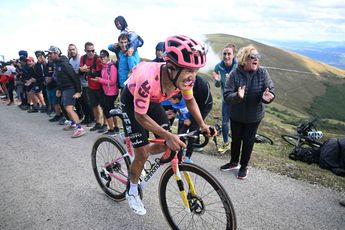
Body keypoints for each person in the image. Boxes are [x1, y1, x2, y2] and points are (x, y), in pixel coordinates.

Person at [121, 35, 214, 215]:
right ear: (171, 68)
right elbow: (140, 116)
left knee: (165, 144)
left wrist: (202, 124)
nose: (192, 77)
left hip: (153, 101)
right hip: (132, 100)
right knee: (143, 151)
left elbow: (190, 100)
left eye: (195, 71)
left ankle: (140, 159)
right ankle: (132, 191)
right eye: (189, 70)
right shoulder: (148, 79)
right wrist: (168, 135)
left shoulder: (182, 78)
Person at [221, 44, 275, 179]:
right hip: (236, 115)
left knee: (248, 141)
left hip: (254, 116)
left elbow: (271, 89)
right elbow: (227, 95)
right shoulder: (234, 74)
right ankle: (234, 162)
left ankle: (244, 166)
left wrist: (268, 98)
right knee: (236, 140)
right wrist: (237, 96)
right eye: (253, 57)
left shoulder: (262, 73)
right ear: (245, 59)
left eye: (258, 56)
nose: (256, 59)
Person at [47, 45, 86, 138]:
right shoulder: (56, 63)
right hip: (64, 88)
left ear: (56, 53)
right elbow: (60, 78)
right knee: (65, 106)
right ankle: (73, 123)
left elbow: (74, 77)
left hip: (70, 88)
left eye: (50, 53)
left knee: (68, 108)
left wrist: (78, 91)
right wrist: (59, 89)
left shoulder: (64, 63)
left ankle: (80, 128)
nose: (48, 55)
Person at [212, 43, 237, 154]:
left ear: (234, 55)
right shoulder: (218, 67)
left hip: (238, 100)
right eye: (224, 54)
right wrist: (217, 80)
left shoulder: (239, 67)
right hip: (226, 99)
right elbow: (218, 85)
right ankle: (226, 143)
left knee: (237, 123)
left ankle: (236, 145)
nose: (226, 56)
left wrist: (231, 80)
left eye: (229, 54)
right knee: (225, 123)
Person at [89, 49, 119, 134]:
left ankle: (111, 130)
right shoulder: (104, 66)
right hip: (107, 92)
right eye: (101, 57)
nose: (102, 59)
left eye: (104, 57)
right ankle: (116, 128)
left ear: (107, 57)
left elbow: (112, 81)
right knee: (112, 110)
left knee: (107, 111)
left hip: (111, 93)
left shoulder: (112, 67)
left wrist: (100, 80)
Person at [79, 42, 103, 131]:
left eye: (93, 50)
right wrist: (82, 70)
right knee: (94, 105)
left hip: (100, 86)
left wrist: (86, 70)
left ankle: (105, 125)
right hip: (90, 86)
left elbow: (98, 73)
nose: (91, 53)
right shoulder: (83, 58)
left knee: (103, 106)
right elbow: (81, 70)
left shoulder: (97, 59)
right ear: (85, 50)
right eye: (89, 51)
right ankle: (98, 123)